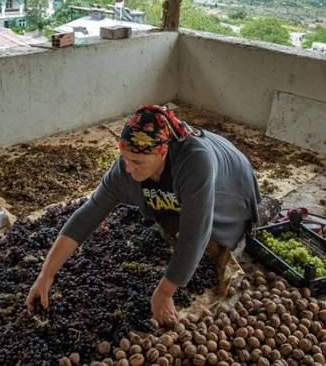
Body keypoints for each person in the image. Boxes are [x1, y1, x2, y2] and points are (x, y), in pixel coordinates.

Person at [25, 105, 261, 324]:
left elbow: (194, 234)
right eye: (125, 159)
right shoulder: (125, 169)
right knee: (168, 229)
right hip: (187, 188)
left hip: (231, 191)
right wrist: (46, 274)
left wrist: (164, 292)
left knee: (213, 246)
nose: (128, 168)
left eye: (137, 161)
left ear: (162, 152)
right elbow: (88, 215)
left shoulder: (195, 162)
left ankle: (261, 211)